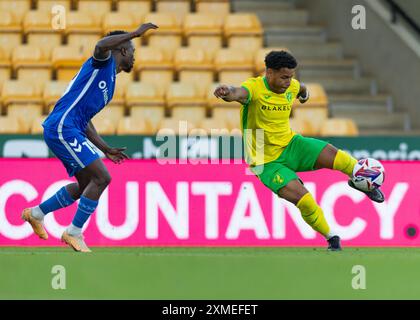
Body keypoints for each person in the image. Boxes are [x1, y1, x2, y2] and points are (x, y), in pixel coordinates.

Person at [214, 50, 385, 251]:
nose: (288, 81)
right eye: (284, 77)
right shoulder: (254, 88)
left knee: (334, 154)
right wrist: (228, 92)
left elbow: (300, 89)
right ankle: (332, 238)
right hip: (266, 162)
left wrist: (304, 94)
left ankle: (362, 183)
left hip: (292, 145)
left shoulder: (292, 86)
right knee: (304, 201)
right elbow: (237, 92)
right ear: (269, 73)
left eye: (291, 77)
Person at [22, 23, 159, 253]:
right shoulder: (102, 62)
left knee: (87, 185)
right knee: (102, 177)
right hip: (62, 127)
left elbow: (85, 120)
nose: (134, 57)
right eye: (132, 51)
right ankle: (74, 232)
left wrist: (105, 148)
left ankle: (36, 213)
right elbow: (100, 45)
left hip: (70, 127)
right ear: (123, 50)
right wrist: (135, 33)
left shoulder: (111, 84)